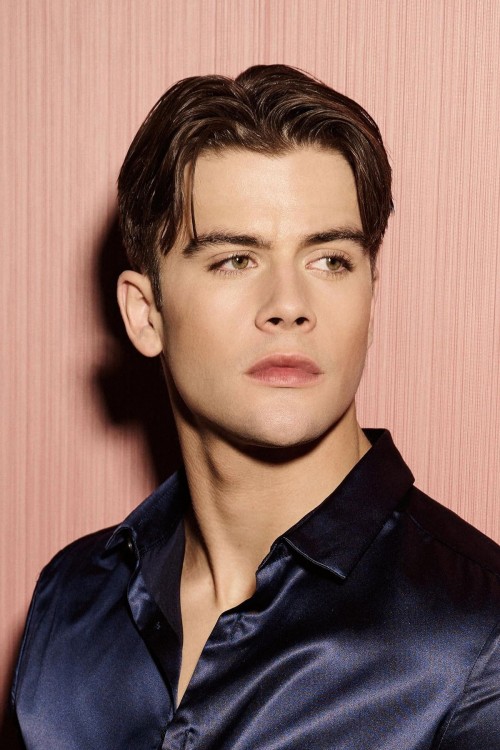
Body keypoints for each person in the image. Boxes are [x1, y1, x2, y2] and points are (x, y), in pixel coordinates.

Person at [11, 65, 500, 749]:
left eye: (330, 260)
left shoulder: (478, 637)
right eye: (236, 260)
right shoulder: (70, 600)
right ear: (145, 314)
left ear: (370, 292)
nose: (290, 306)